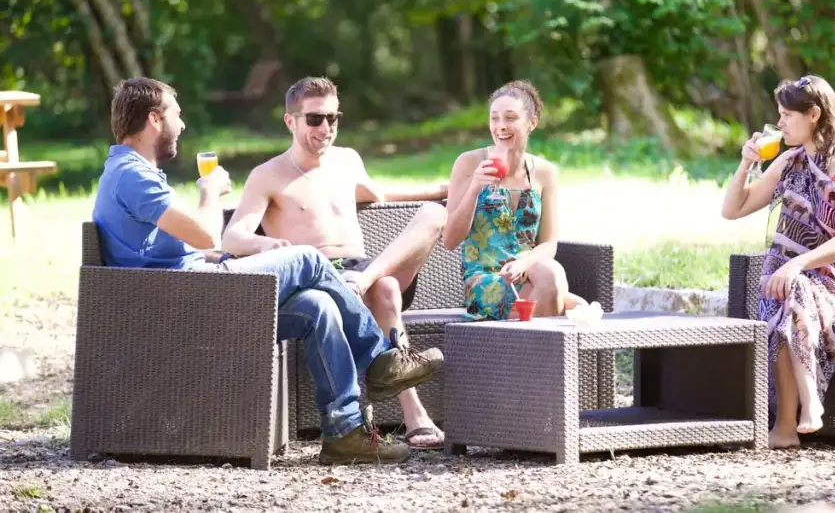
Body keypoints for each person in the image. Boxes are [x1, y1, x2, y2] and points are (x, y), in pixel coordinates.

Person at [91, 77, 443, 465]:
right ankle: (380, 361)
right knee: (307, 259)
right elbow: (209, 235)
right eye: (177, 114)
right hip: (193, 299)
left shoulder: (130, 172)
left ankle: (344, 433)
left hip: (190, 290)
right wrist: (210, 191)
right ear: (155, 119)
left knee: (318, 307)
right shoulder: (132, 175)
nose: (183, 124)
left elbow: (173, 252)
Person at [221, 76, 448, 450]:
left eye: (333, 118)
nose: (326, 128)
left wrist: (441, 190)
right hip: (318, 280)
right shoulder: (267, 175)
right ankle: (414, 414)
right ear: (290, 121)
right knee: (387, 289)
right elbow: (233, 236)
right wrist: (265, 243)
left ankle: (366, 289)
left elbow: (380, 193)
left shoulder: (347, 160)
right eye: (314, 119)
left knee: (431, 216)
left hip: (363, 272)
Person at [720, 75, 835, 449]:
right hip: (797, 284)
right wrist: (746, 165)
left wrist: (796, 265)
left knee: (785, 285)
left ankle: (791, 420)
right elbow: (732, 210)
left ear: (814, 115)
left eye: (786, 116)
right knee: (781, 291)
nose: (779, 125)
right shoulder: (789, 161)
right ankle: (801, 412)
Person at [442, 80, 587, 320]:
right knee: (572, 305)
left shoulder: (545, 172)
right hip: (485, 280)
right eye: (494, 118)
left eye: (510, 118)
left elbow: (548, 244)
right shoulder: (468, 163)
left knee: (558, 283)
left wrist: (524, 264)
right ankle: (547, 355)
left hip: (529, 272)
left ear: (532, 123)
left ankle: (530, 353)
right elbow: (449, 239)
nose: (500, 126)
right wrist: (476, 187)